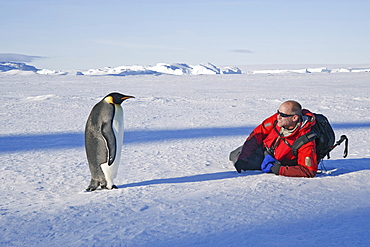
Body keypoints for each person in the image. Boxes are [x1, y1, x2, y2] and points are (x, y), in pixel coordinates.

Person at [231, 100, 318, 178]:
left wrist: (277, 169)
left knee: (237, 158)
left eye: (283, 115)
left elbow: (308, 171)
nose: (278, 117)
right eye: (278, 112)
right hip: (265, 150)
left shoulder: (305, 139)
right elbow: (257, 135)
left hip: (278, 161)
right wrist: (243, 157)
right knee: (235, 156)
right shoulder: (277, 120)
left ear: (294, 118)